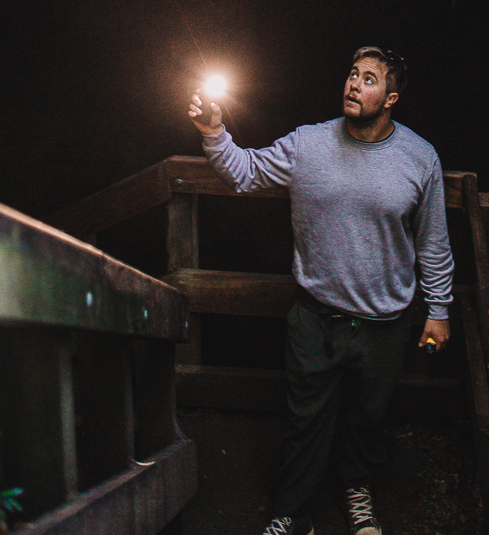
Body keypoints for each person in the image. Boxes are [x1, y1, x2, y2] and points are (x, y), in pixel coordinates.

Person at [189, 47, 454, 535]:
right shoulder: (308, 145)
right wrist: (213, 132)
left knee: (368, 419)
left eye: (369, 79)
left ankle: (357, 493)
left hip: (384, 323)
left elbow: (432, 242)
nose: (354, 84)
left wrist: (439, 311)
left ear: (390, 97)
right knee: (304, 420)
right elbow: (246, 172)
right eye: (352, 74)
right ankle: (292, 513)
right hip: (315, 317)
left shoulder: (419, 158)